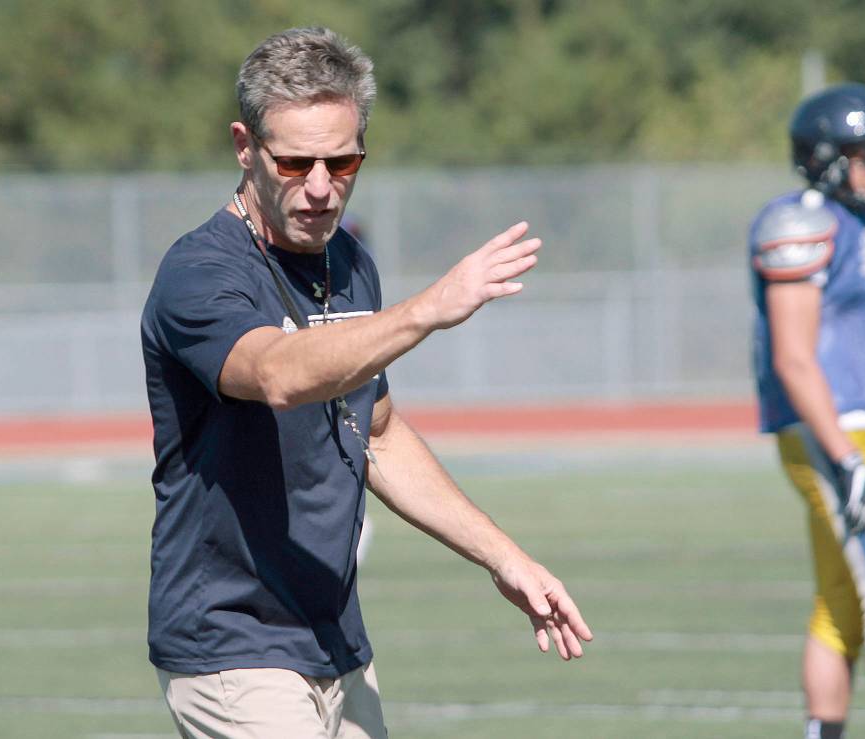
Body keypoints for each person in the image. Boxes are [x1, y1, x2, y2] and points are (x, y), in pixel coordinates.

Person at [140, 26, 592, 738]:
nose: (321, 187)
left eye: (341, 161)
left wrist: (506, 558)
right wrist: (428, 310)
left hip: (336, 640)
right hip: (233, 643)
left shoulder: (346, 260)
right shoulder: (201, 273)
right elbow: (279, 373)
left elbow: (374, 431)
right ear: (243, 147)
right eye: (294, 163)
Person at [748, 82, 865, 739]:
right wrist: (848, 457)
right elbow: (797, 358)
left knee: (843, 607)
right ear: (824, 156)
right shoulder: (801, 220)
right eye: (863, 153)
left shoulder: (858, 225)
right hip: (831, 430)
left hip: (859, 429)